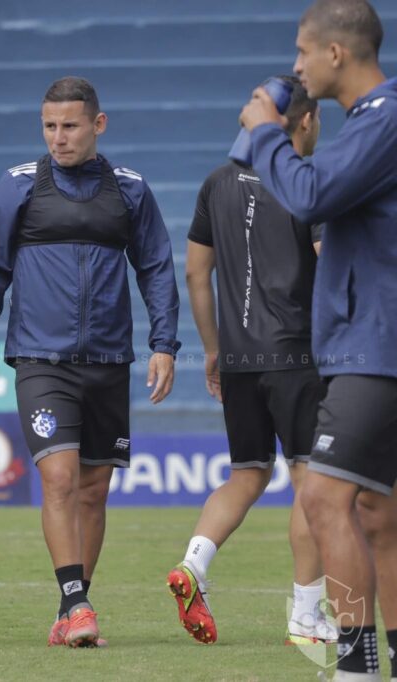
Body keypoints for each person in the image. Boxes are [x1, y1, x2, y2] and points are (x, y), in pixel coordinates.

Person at [0, 76, 180, 648]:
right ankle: (77, 604)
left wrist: (164, 343)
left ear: (97, 124)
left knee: (93, 491)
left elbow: (156, 267)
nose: (58, 138)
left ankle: (71, 610)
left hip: (109, 360)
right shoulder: (19, 186)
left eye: (70, 126)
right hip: (40, 359)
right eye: (49, 127)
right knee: (58, 479)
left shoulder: (130, 189)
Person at [240, 1, 397, 679]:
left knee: (324, 497)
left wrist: (266, 133)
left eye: (304, 52)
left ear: (336, 54)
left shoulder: (385, 116)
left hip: (377, 344)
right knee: (377, 511)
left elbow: (309, 194)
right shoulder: (372, 123)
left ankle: (358, 661)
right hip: (371, 340)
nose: (297, 65)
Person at [168, 76, 336, 647]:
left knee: (246, 474)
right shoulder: (305, 180)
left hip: (239, 359)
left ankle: (193, 565)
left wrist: (214, 349)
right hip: (296, 355)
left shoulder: (216, 183)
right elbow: (326, 261)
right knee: (310, 483)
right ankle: (306, 615)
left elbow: (196, 273)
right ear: (306, 122)